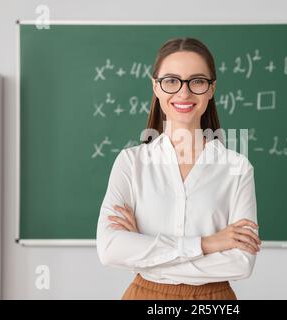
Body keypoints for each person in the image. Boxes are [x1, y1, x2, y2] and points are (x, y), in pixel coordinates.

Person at [96, 37, 260, 300]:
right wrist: (208, 244)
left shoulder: (237, 168)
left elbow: (240, 263)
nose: (184, 93)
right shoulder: (131, 163)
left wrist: (144, 250)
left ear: (211, 88)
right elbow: (110, 249)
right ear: (156, 86)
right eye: (171, 81)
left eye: (197, 81)